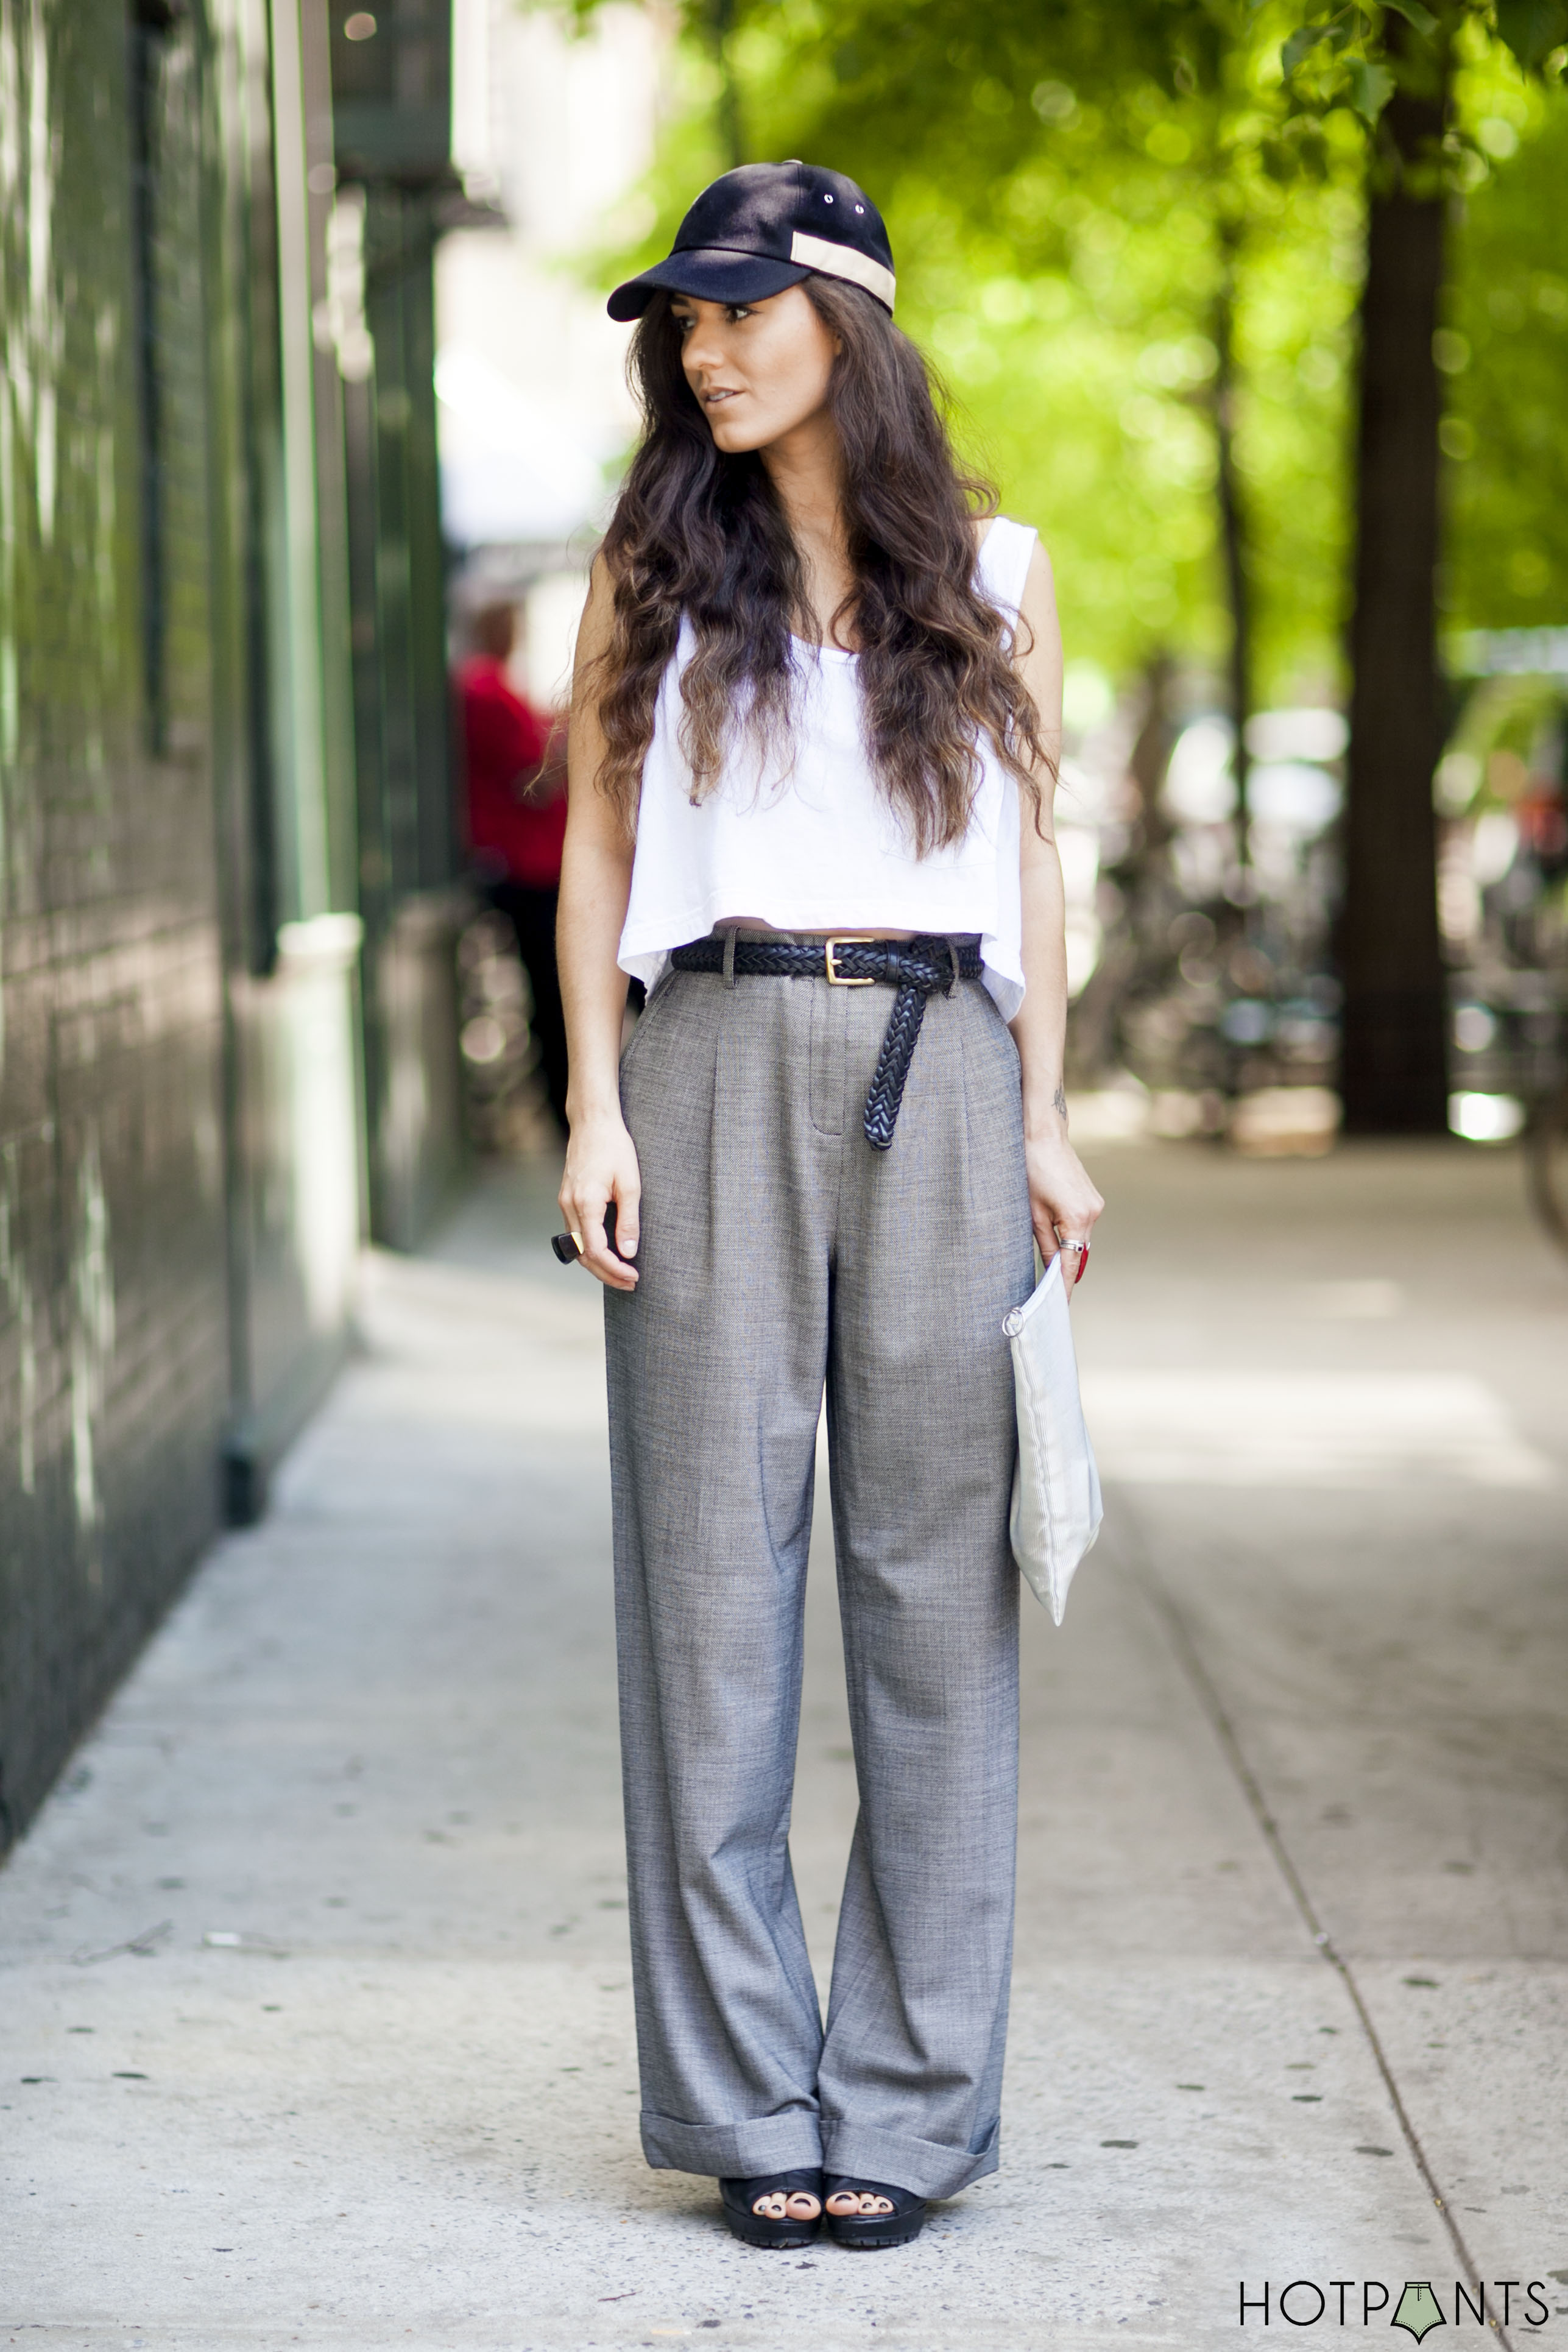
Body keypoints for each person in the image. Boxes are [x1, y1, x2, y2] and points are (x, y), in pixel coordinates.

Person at [556, 161, 1104, 2253]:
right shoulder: (650, 564)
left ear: (847, 324)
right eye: (679, 322)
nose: (701, 347)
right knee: (706, 1600)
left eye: (738, 309)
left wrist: (1049, 1115)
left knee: (928, 1599)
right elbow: (604, 853)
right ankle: (738, 2097)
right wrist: (594, 1106)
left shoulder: (998, 565)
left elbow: (1037, 863)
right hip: (703, 1052)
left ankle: (905, 2098)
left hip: (943, 1067)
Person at [455, 601, 570, 1135]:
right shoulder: (486, 691)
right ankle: (562, 1112)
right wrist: (574, 744)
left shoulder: (497, 687)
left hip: (540, 865)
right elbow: (531, 781)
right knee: (551, 994)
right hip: (527, 869)